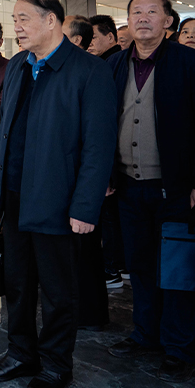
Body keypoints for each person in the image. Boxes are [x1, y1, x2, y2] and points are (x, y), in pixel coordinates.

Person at [0, 0, 116, 388]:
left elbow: (99, 146)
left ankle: (56, 365)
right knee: (17, 283)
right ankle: (21, 354)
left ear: (51, 20)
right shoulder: (19, 64)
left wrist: (85, 207)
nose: (16, 27)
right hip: (15, 196)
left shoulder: (89, 70)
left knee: (58, 290)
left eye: (23, 18)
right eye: (14, 19)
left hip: (59, 198)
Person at [105, 0, 195, 383]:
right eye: (136, 12)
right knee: (140, 266)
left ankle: (179, 349)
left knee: (179, 272)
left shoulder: (191, 63)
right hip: (129, 186)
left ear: (168, 21)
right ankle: (146, 335)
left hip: (178, 189)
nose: (143, 18)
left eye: (151, 12)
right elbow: (102, 124)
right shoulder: (114, 64)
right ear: (128, 21)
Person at [87, 15, 126, 289]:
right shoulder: (108, 62)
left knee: (110, 217)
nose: (88, 44)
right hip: (113, 159)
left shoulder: (110, 64)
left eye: (93, 38)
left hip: (114, 159)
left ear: (110, 38)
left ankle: (112, 268)